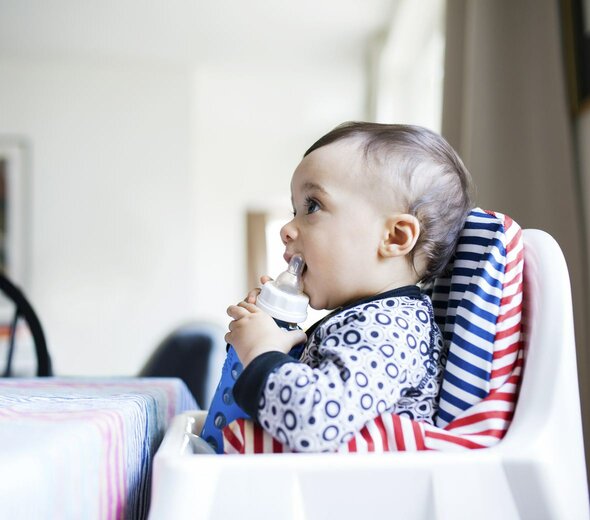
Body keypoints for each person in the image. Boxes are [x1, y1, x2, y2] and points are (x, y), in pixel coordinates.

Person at [225, 122, 473, 452]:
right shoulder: (367, 318)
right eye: (294, 210)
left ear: (394, 237)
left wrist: (262, 352)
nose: (286, 228)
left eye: (312, 206)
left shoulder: (392, 330)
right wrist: (275, 339)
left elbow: (314, 421)